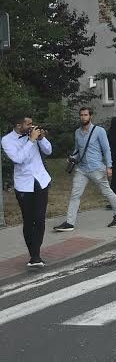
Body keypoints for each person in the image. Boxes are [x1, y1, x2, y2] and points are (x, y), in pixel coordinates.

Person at [54, 107, 116, 232]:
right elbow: (77, 150)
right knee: (75, 194)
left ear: (90, 116)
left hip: (96, 168)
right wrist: (72, 158)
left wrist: (109, 166)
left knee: (106, 192)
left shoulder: (99, 131)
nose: (83, 117)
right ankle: (70, 222)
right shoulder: (77, 132)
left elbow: (106, 149)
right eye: (81, 115)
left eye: (86, 115)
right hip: (81, 169)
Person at [1, 114, 53, 268]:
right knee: (29, 220)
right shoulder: (6, 140)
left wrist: (41, 138)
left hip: (41, 181)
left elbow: (49, 151)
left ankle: (36, 255)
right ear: (19, 126)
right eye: (28, 124)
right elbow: (18, 159)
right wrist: (31, 141)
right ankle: (34, 255)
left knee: (40, 219)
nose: (32, 126)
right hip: (24, 185)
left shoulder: (34, 135)